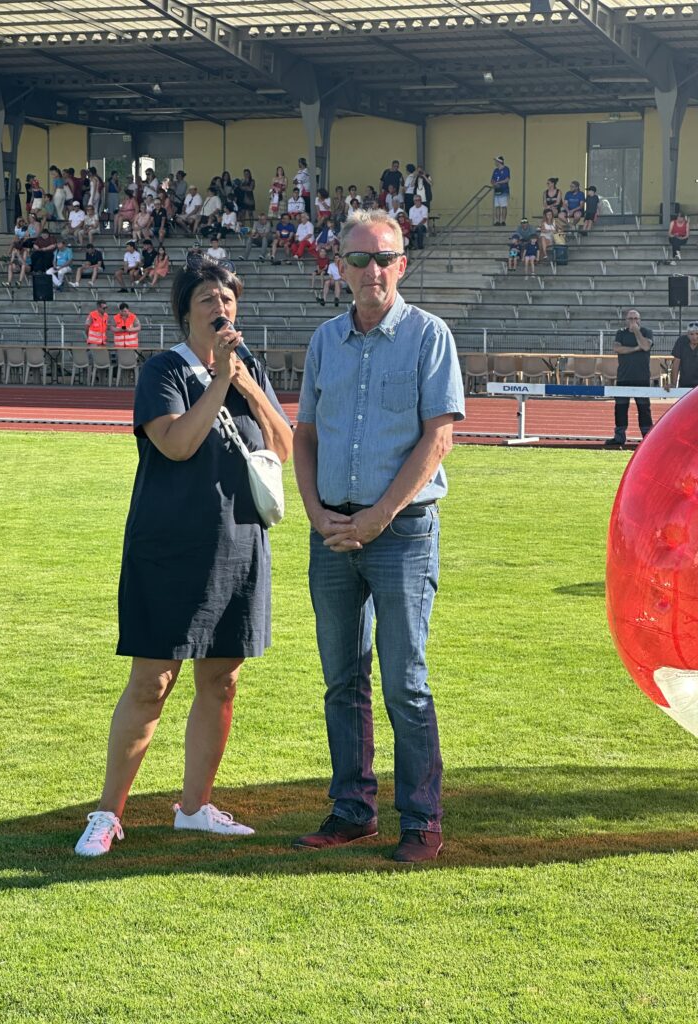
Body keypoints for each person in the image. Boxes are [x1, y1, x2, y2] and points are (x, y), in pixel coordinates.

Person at [74, 254, 293, 857]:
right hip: (169, 547)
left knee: (221, 680)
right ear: (185, 311)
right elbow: (175, 444)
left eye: (228, 300)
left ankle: (195, 808)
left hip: (238, 543)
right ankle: (107, 813)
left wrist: (244, 380)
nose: (221, 309)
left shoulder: (250, 369)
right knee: (152, 681)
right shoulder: (162, 370)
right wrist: (220, 380)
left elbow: (285, 447)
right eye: (208, 301)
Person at [292, 210, 465, 863]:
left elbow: (438, 438)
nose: (372, 271)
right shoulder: (324, 342)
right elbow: (304, 436)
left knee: (405, 682)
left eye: (383, 258)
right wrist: (315, 512)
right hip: (331, 529)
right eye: (359, 259)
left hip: (401, 532)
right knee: (342, 680)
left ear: (403, 264)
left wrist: (378, 516)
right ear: (340, 265)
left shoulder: (429, 337)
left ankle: (421, 821)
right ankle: (351, 809)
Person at [604, 309, 654, 448]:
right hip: (623, 376)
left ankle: (647, 437)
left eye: (635, 318)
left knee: (644, 408)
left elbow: (645, 346)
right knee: (620, 408)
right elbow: (617, 349)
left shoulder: (646, 332)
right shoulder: (621, 333)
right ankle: (619, 437)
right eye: (630, 319)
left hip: (641, 377)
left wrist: (637, 331)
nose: (632, 321)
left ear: (640, 319)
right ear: (626, 320)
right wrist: (635, 348)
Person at [670, 321, 698, 389]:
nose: (695, 337)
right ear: (687, 334)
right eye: (691, 334)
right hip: (684, 383)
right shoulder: (681, 341)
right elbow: (676, 363)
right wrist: (673, 383)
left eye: (697, 333)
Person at [490, 156, 510, 226]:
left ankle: (503, 221)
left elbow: (507, 179)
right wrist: (493, 183)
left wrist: (498, 183)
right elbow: (492, 180)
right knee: (497, 206)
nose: (495, 162)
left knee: (503, 206)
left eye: (496, 161)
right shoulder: (495, 170)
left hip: (504, 190)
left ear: (500, 162)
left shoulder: (506, 169)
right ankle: (497, 221)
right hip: (496, 191)